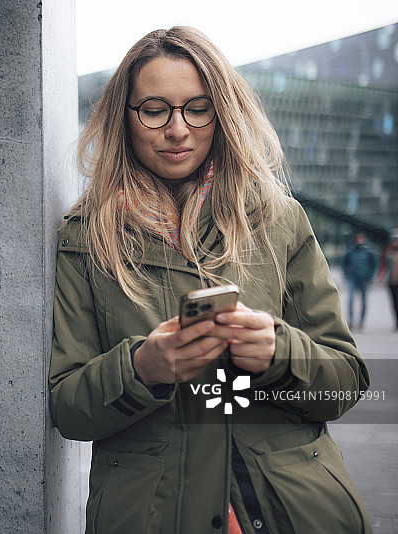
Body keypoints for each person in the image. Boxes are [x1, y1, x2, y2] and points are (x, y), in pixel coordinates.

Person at [49, 27, 372, 534]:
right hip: (152, 514)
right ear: (125, 119)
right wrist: (142, 368)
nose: (178, 128)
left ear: (220, 112)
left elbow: (348, 381)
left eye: (197, 107)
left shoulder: (278, 218)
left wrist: (277, 353)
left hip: (292, 509)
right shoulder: (87, 236)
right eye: (155, 109)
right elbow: (69, 408)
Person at [342, 232, 377, 330]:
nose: (360, 240)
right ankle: (351, 321)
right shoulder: (351, 251)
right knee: (350, 300)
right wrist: (346, 274)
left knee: (364, 300)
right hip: (353, 278)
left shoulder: (368, 251)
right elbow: (344, 263)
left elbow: (374, 264)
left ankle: (361, 322)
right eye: (358, 238)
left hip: (364, 279)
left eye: (362, 238)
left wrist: (370, 275)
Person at [379, 232, 398, 330]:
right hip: (391, 282)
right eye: (394, 241)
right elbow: (383, 266)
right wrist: (381, 277)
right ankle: (396, 322)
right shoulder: (388, 253)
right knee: (394, 302)